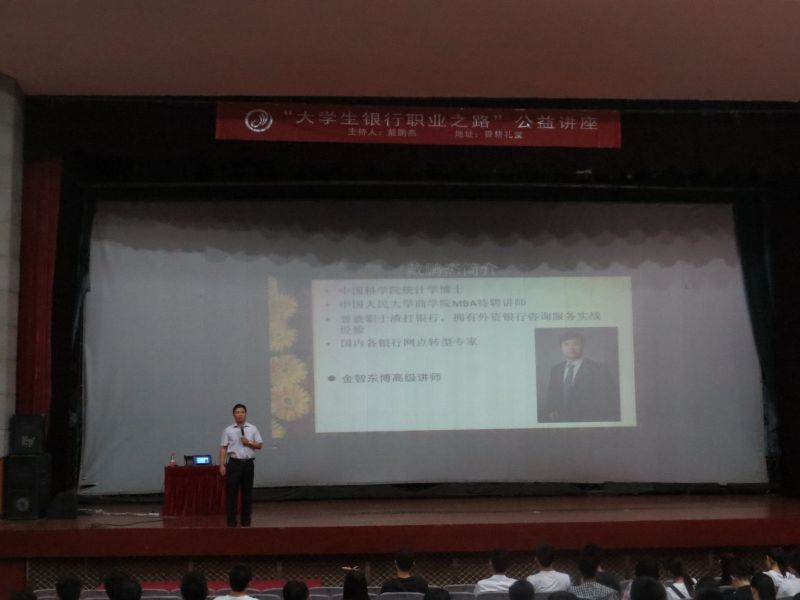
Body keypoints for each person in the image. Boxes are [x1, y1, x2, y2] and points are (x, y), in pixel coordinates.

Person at [543, 330, 619, 422]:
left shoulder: (598, 368)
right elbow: (552, 393)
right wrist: (551, 410)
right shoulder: (556, 369)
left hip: (588, 420)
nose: (571, 348)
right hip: (561, 419)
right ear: (561, 348)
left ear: (583, 346)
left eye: (576, 344)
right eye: (566, 344)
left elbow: (608, 398)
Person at [220, 403, 263, 527]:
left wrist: (249, 442)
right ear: (234, 415)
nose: (240, 414)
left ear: (245, 414)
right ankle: (231, 521)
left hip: (248, 464)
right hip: (234, 464)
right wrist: (222, 465)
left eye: (242, 412)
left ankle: (246, 521)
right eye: (237, 412)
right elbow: (223, 448)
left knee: (247, 494)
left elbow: (260, 445)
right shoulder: (228, 430)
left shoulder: (253, 428)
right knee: (231, 493)